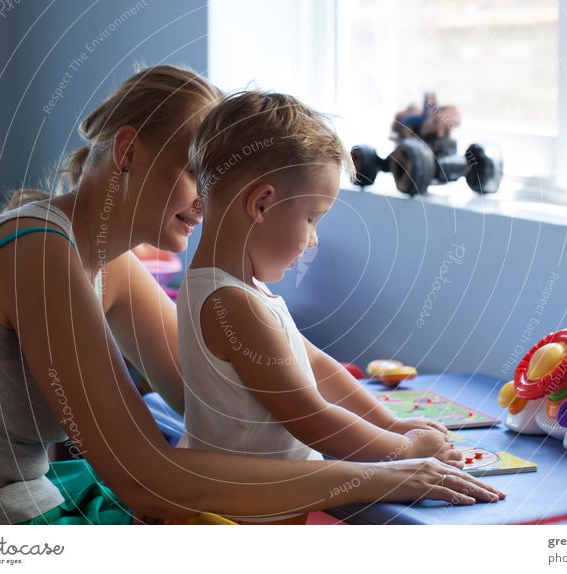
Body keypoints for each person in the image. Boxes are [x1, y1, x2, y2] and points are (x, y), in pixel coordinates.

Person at [0, 65, 503, 525]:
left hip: (19, 493)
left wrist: (390, 430)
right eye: (199, 171)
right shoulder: (38, 254)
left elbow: (210, 396)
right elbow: (146, 477)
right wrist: (379, 474)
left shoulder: (107, 266)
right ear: (128, 151)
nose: (208, 199)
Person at [180, 91, 500, 523]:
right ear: (261, 204)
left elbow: (320, 368)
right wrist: (401, 450)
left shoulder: (231, 290)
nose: (313, 239)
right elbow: (311, 418)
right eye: (311, 218)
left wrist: (393, 424)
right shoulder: (233, 304)